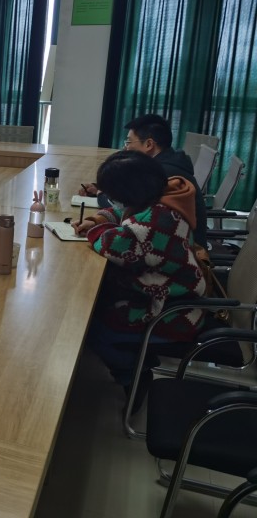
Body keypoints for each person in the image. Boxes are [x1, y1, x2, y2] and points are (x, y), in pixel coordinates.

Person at [73, 150, 209, 406]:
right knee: (94, 306)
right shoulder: (164, 197)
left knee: (90, 329)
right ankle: (137, 360)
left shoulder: (155, 222)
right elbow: (124, 215)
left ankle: (134, 373)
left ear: (130, 193)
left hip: (174, 313)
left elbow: (111, 244)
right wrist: (100, 218)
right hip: (172, 294)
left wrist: (96, 228)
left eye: (114, 196)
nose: (112, 201)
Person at [79, 114, 207, 246]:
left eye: (129, 142)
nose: (125, 148)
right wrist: (97, 218)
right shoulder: (166, 163)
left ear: (149, 144)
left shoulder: (162, 174)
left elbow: (123, 206)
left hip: (183, 247)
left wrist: (101, 193)